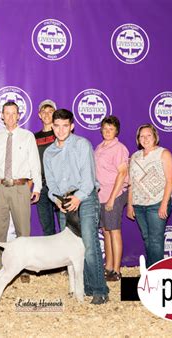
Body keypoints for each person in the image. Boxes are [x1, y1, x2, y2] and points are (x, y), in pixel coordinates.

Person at [43, 109, 109, 305]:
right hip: (64, 201)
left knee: (89, 244)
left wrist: (78, 198)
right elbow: (51, 184)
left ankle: (99, 290)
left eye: (65, 126)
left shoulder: (81, 145)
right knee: (72, 247)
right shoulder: (49, 152)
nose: (61, 130)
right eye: (57, 126)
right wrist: (56, 200)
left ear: (71, 126)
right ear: (52, 126)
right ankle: (83, 287)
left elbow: (88, 180)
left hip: (85, 197)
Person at [0, 101, 42, 282]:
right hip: (0, 186)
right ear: (1, 116)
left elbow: (34, 163)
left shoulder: (27, 136)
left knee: (23, 230)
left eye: (13, 113)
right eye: (6, 113)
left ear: (19, 116)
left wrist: (38, 187)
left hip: (20, 187)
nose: (10, 117)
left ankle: (24, 269)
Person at [127, 123, 172, 268]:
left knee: (155, 240)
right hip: (139, 204)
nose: (145, 138)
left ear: (155, 136)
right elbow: (132, 183)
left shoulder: (163, 153)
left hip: (157, 203)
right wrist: (130, 204)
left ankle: (157, 275)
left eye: (149, 135)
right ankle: (150, 272)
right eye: (142, 136)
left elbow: (171, 180)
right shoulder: (134, 156)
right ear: (138, 139)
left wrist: (164, 204)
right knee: (147, 238)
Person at [94, 116, 129, 282]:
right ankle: (108, 266)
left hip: (113, 194)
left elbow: (122, 173)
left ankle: (116, 270)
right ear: (101, 129)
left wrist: (112, 199)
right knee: (106, 231)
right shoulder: (99, 147)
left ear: (116, 131)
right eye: (105, 128)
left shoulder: (119, 148)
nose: (108, 132)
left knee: (114, 231)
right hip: (101, 195)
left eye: (111, 129)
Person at [34, 99, 59, 236]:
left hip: (60, 185)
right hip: (42, 185)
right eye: (44, 112)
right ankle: (52, 257)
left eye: (50, 112)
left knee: (65, 225)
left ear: (55, 113)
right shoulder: (34, 137)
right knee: (47, 228)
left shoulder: (61, 134)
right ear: (39, 115)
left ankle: (66, 257)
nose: (47, 114)